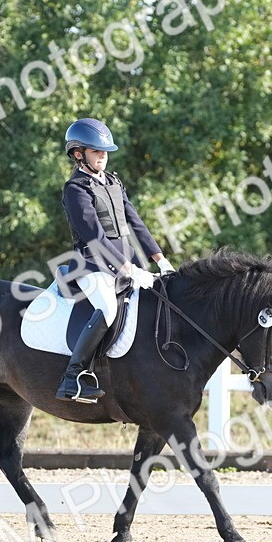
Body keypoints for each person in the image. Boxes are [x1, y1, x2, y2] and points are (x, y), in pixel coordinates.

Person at [56, 117, 174, 402]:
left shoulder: (113, 182)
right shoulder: (75, 189)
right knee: (108, 308)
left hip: (127, 260)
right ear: (78, 154)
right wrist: (127, 268)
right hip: (92, 264)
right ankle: (73, 376)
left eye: (105, 152)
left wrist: (160, 260)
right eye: (96, 151)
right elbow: (95, 236)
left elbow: (136, 222)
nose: (103, 156)